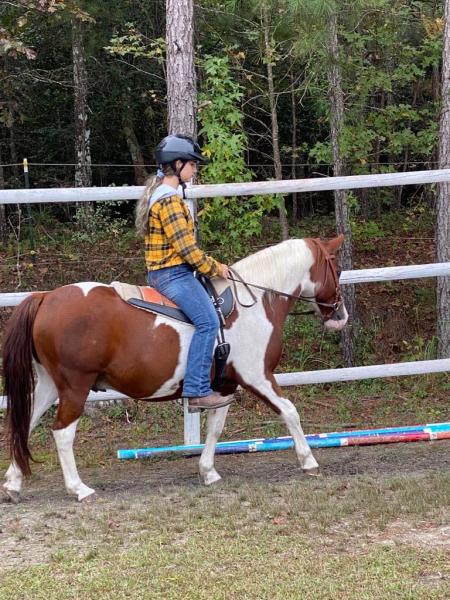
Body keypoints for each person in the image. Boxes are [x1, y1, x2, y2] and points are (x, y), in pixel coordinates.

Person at [135, 134, 233, 412]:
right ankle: (197, 391)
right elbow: (188, 251)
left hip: (171, 271)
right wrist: (217, 268)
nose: (195, 169)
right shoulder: (169, 202)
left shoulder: (164, 195)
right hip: (172, 274)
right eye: (192, 164)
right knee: (208, 322)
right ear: (178, 165)